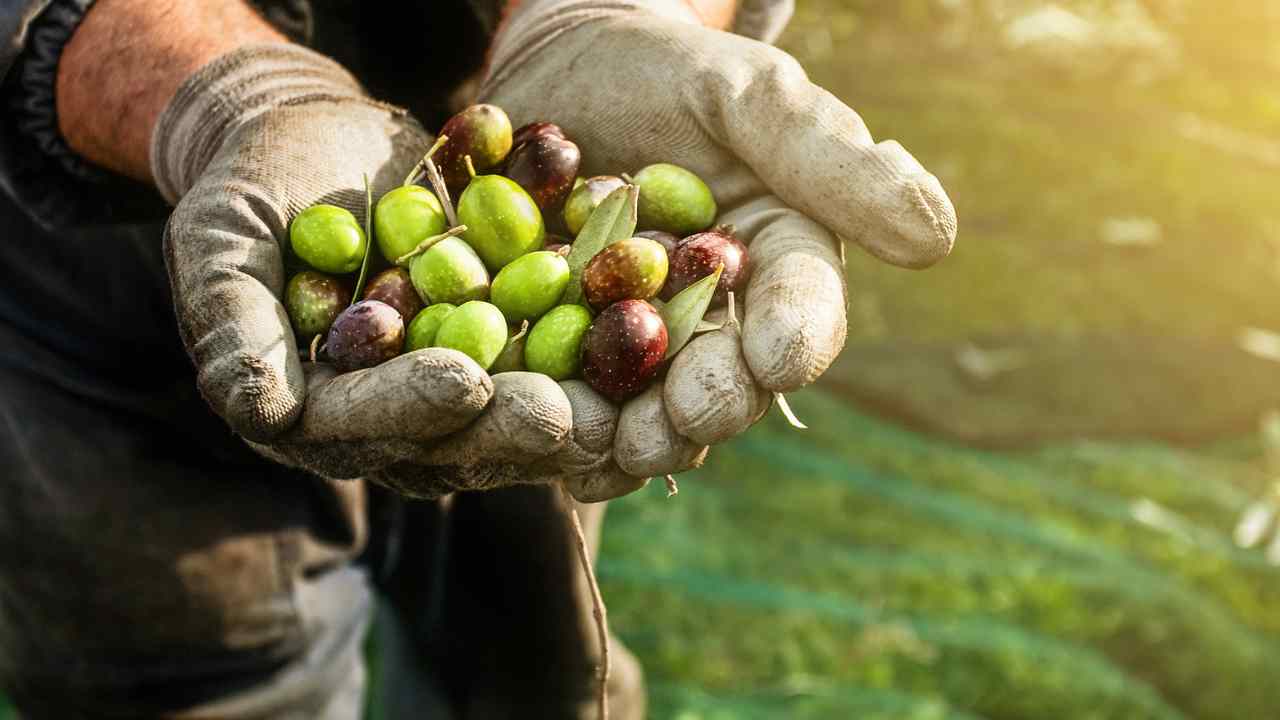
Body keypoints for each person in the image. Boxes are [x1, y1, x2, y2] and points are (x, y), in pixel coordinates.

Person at [0, 0, 956, 717]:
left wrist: (612, 15)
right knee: (197, 682)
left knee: (538, 665)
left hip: (497, 137)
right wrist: (223, 96)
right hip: (110, 244)